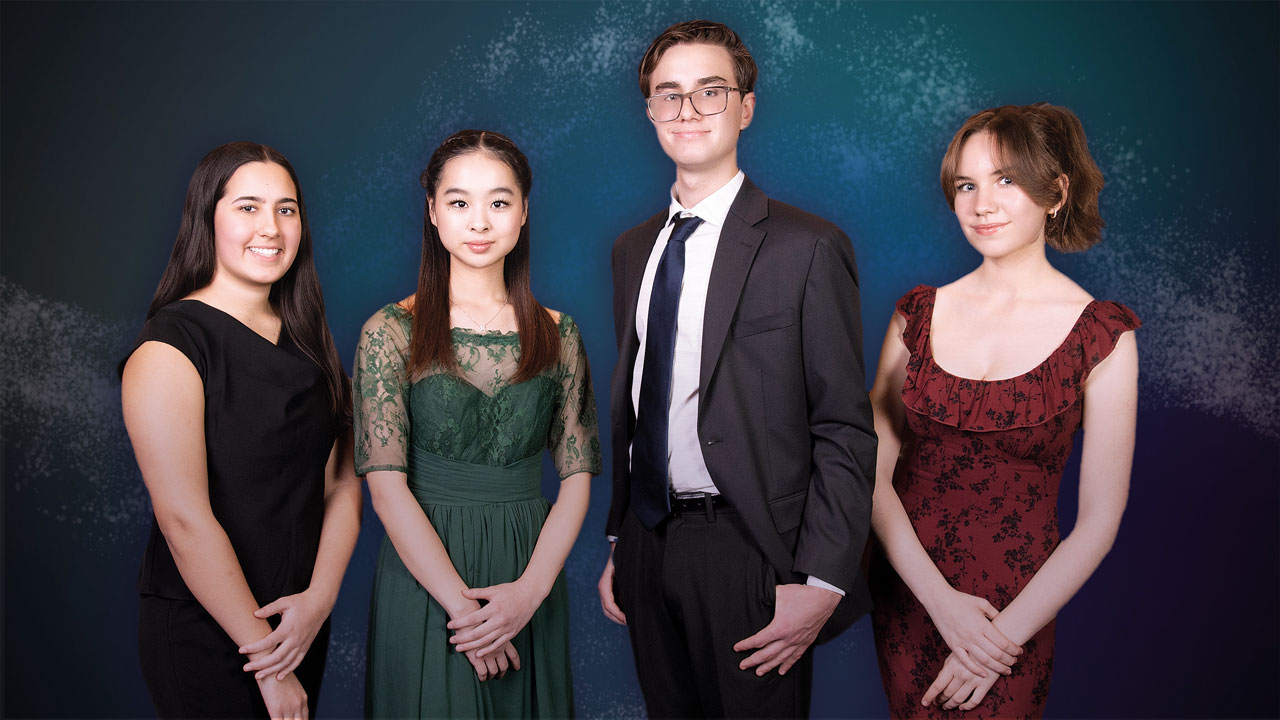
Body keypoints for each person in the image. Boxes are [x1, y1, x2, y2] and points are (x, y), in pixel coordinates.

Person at [595, 20, 877, 718]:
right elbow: (639, 405)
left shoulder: (806, 247)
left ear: (746, 107)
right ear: (651, 112)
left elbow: (844, 426)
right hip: (647, 545)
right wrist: (619, 541)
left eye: (709, 92)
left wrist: (823, 579)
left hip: (750, 548)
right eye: (669, 95)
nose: (687, 111)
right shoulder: (633, 251)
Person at [867, 103, 1141, 716]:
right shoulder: (917, 314)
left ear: (1056, 192)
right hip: (910, 591)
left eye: (1006, 180)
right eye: (967, 184)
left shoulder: (1102, 335)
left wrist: (997, 640)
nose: (980, 204)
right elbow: (870, 472)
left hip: (1015, 609)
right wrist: (940, 604)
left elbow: (1099, 521)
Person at [355, 129, 601, 718]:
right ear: (434, 214)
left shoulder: (558, 333)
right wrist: (465, 613)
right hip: (427, 577)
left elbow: (578, 477)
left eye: (499, 201)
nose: (480, 222)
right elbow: (386, 491)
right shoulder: (390, 331)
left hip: (527, 570)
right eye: (460, 202)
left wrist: (529, 594)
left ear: (522, 214)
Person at [120, 141, 362, 718]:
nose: (271, 228)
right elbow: (183, 519)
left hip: (298, 625)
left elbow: (343, 484)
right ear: (208, 218)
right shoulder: (171, 345)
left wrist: (317, 602)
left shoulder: (309, 340)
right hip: (213, 632)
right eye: (248, 207)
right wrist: (270, 664)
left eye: (287, 208)